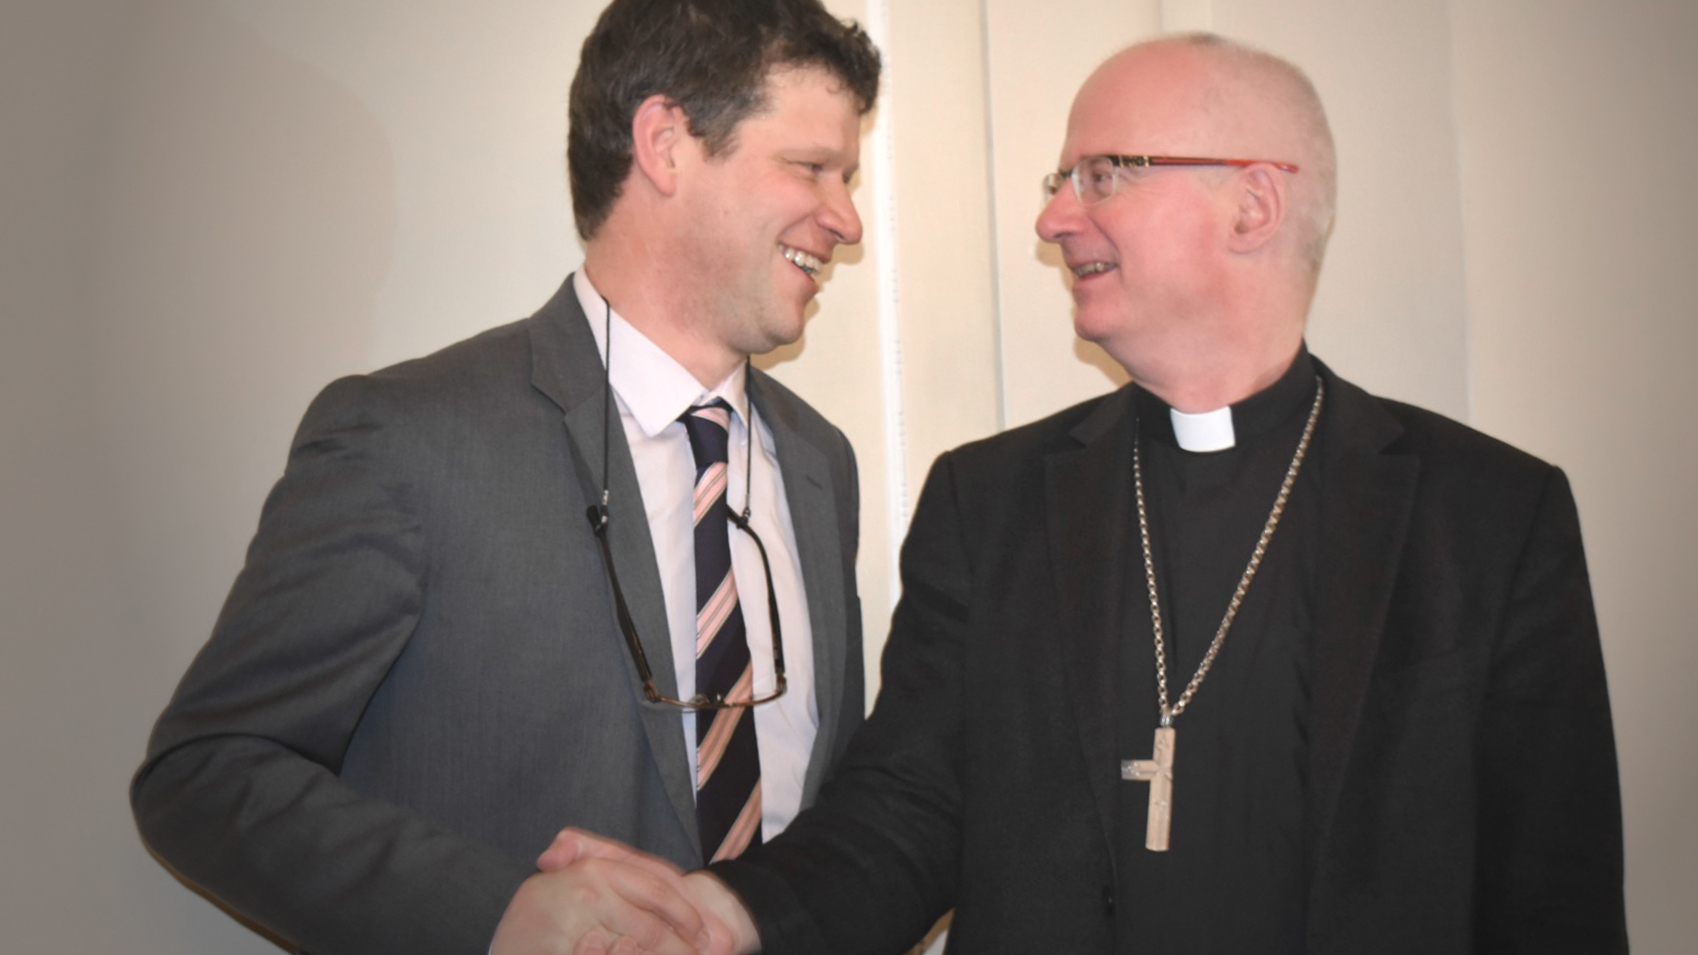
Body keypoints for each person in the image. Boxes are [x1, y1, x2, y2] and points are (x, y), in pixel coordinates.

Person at [539, 31, 1628, 955]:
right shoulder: (990, 502)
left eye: (1102, 174)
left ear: (1252, 205)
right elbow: (906, 814)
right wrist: (722, 912)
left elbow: (1555, 899)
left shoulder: (1489, 518)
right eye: (1059, 183)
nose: (1055, 220)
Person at [128, 2, 880, 953]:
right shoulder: (406, 440)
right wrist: (493, 910)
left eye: (846, 178)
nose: (846, 219)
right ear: (665, 144)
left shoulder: (821, 465)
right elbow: (204, 775)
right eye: (812, 167)